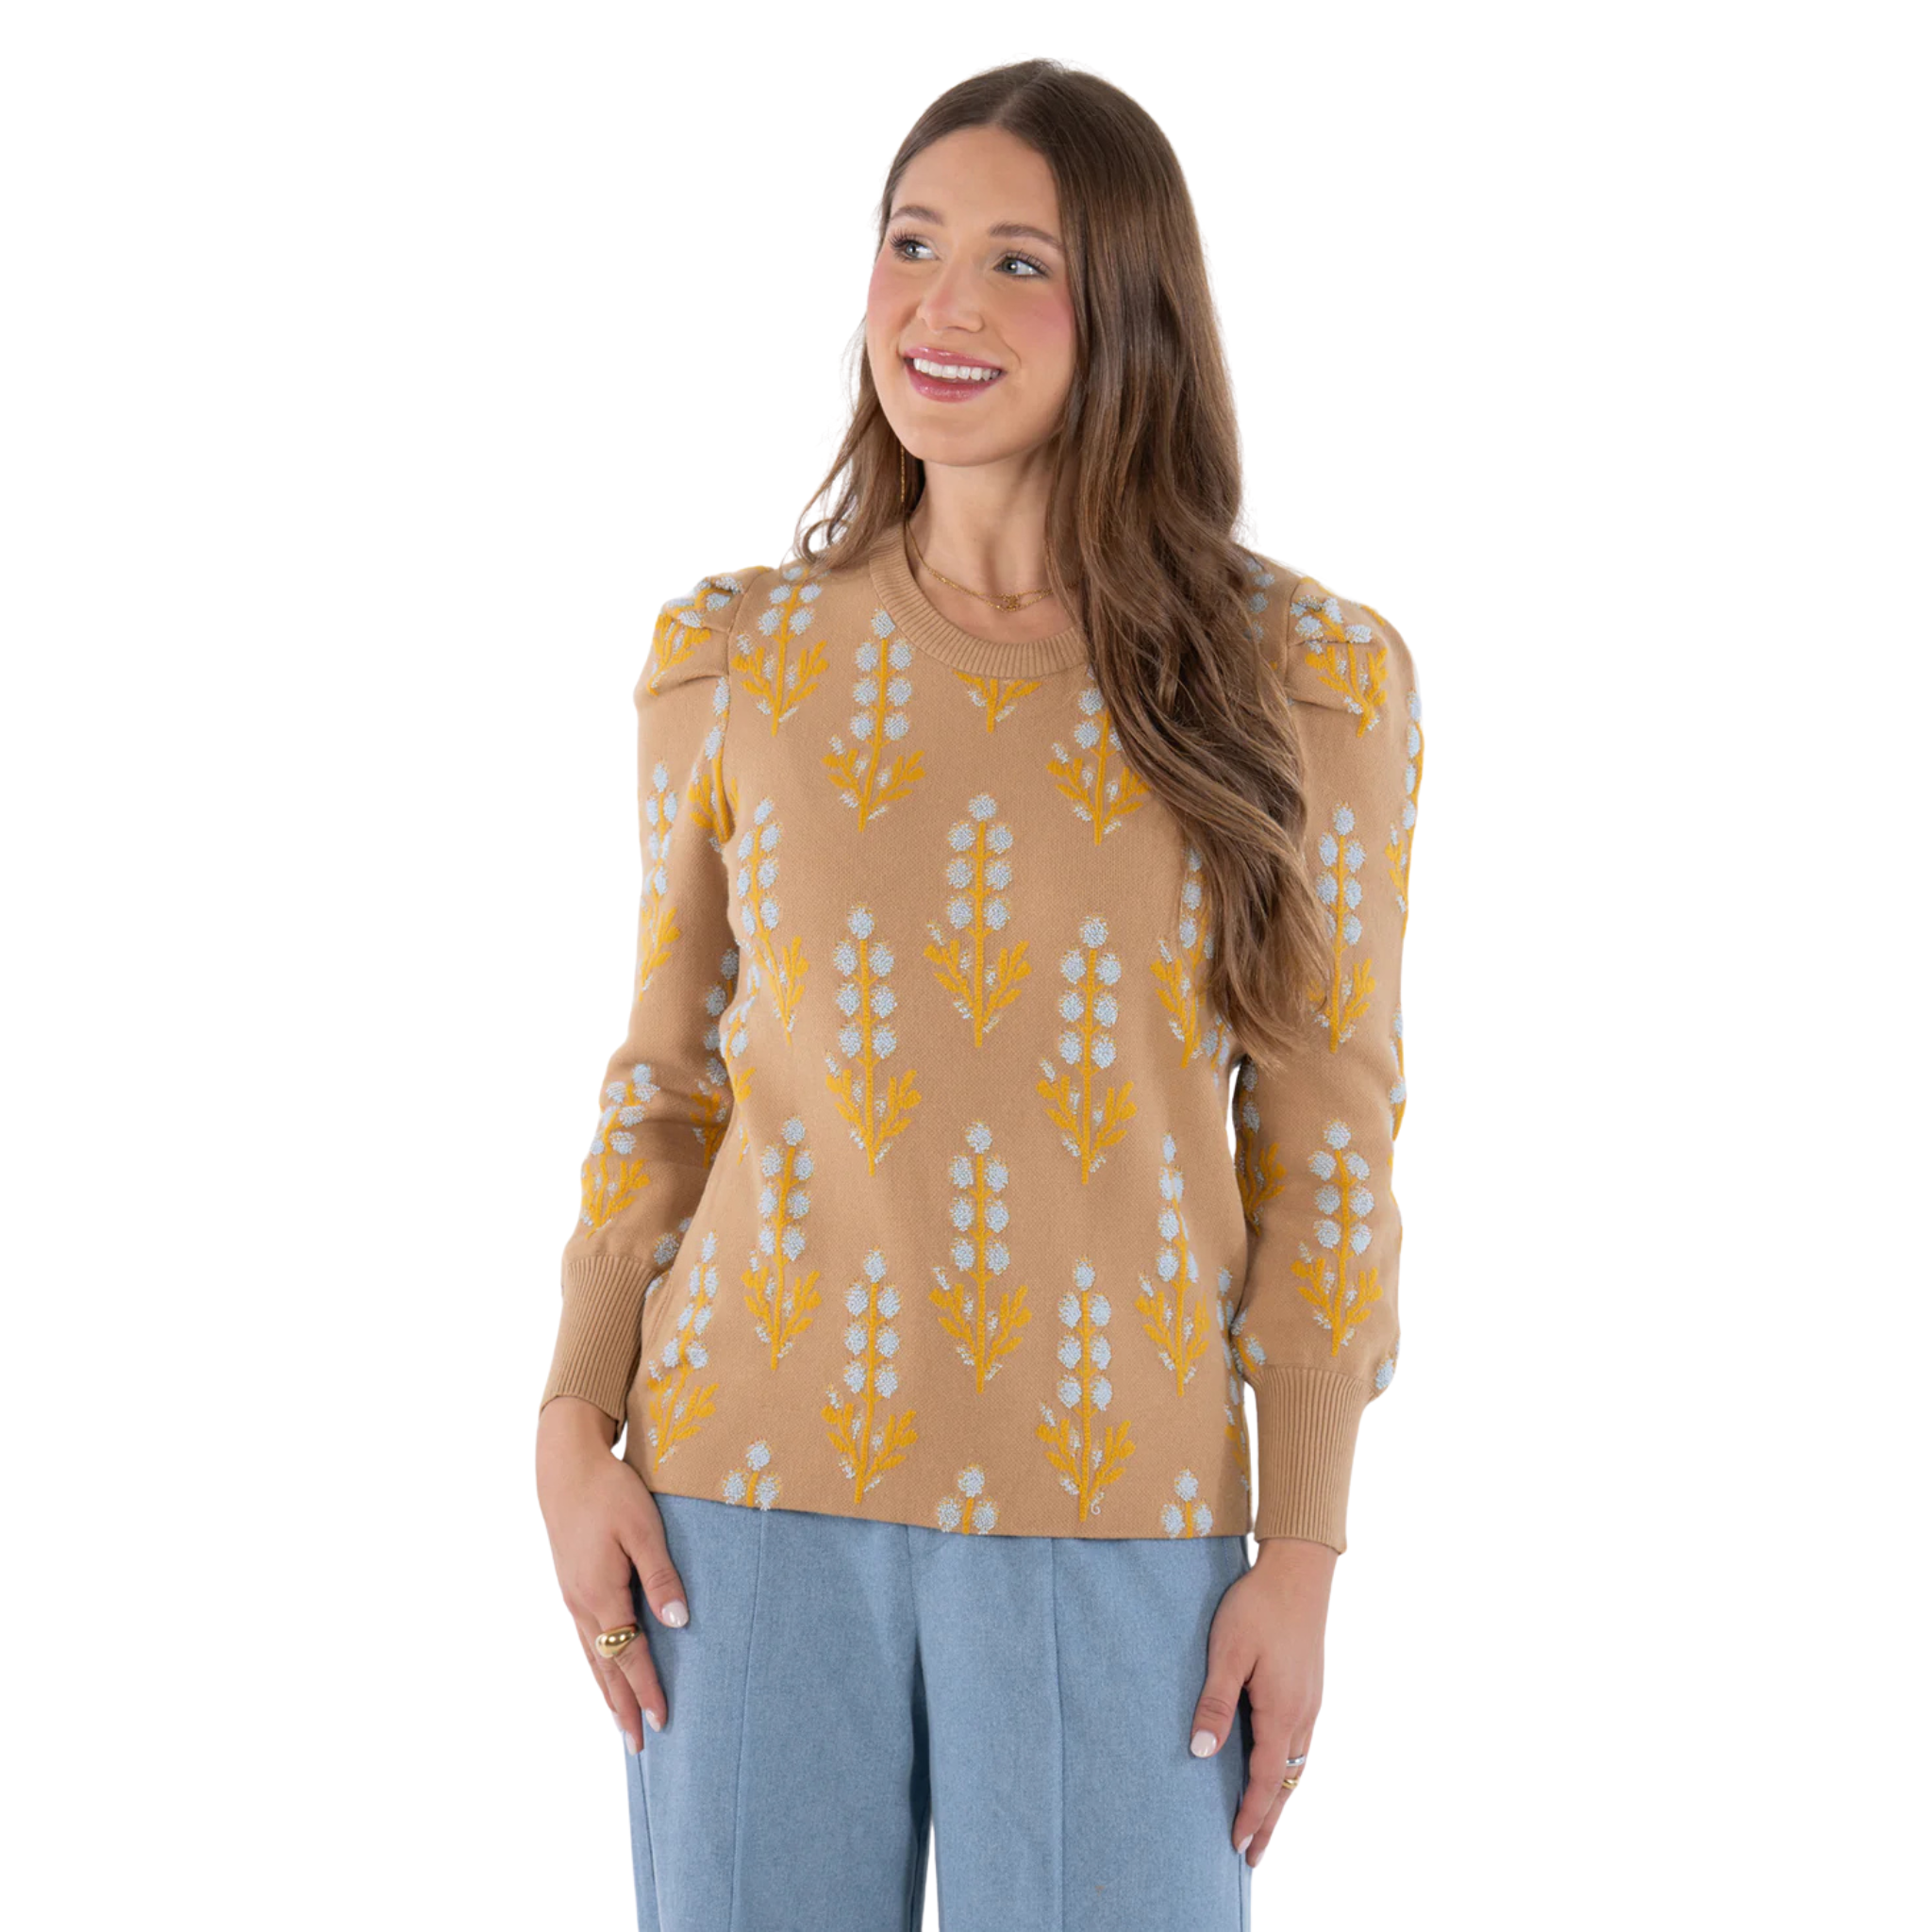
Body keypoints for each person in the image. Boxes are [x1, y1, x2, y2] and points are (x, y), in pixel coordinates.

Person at [534, 57, 1425, 1932]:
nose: (942, 305)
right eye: (910, 242)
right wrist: (567, 1423)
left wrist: (1304, 1544)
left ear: (1134, 311)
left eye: (1021, 262)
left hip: (1123, 1520)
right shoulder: (737, 661)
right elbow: (667, 1081)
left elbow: (1329, 1146)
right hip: (736, 1505)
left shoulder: (1303, 682)